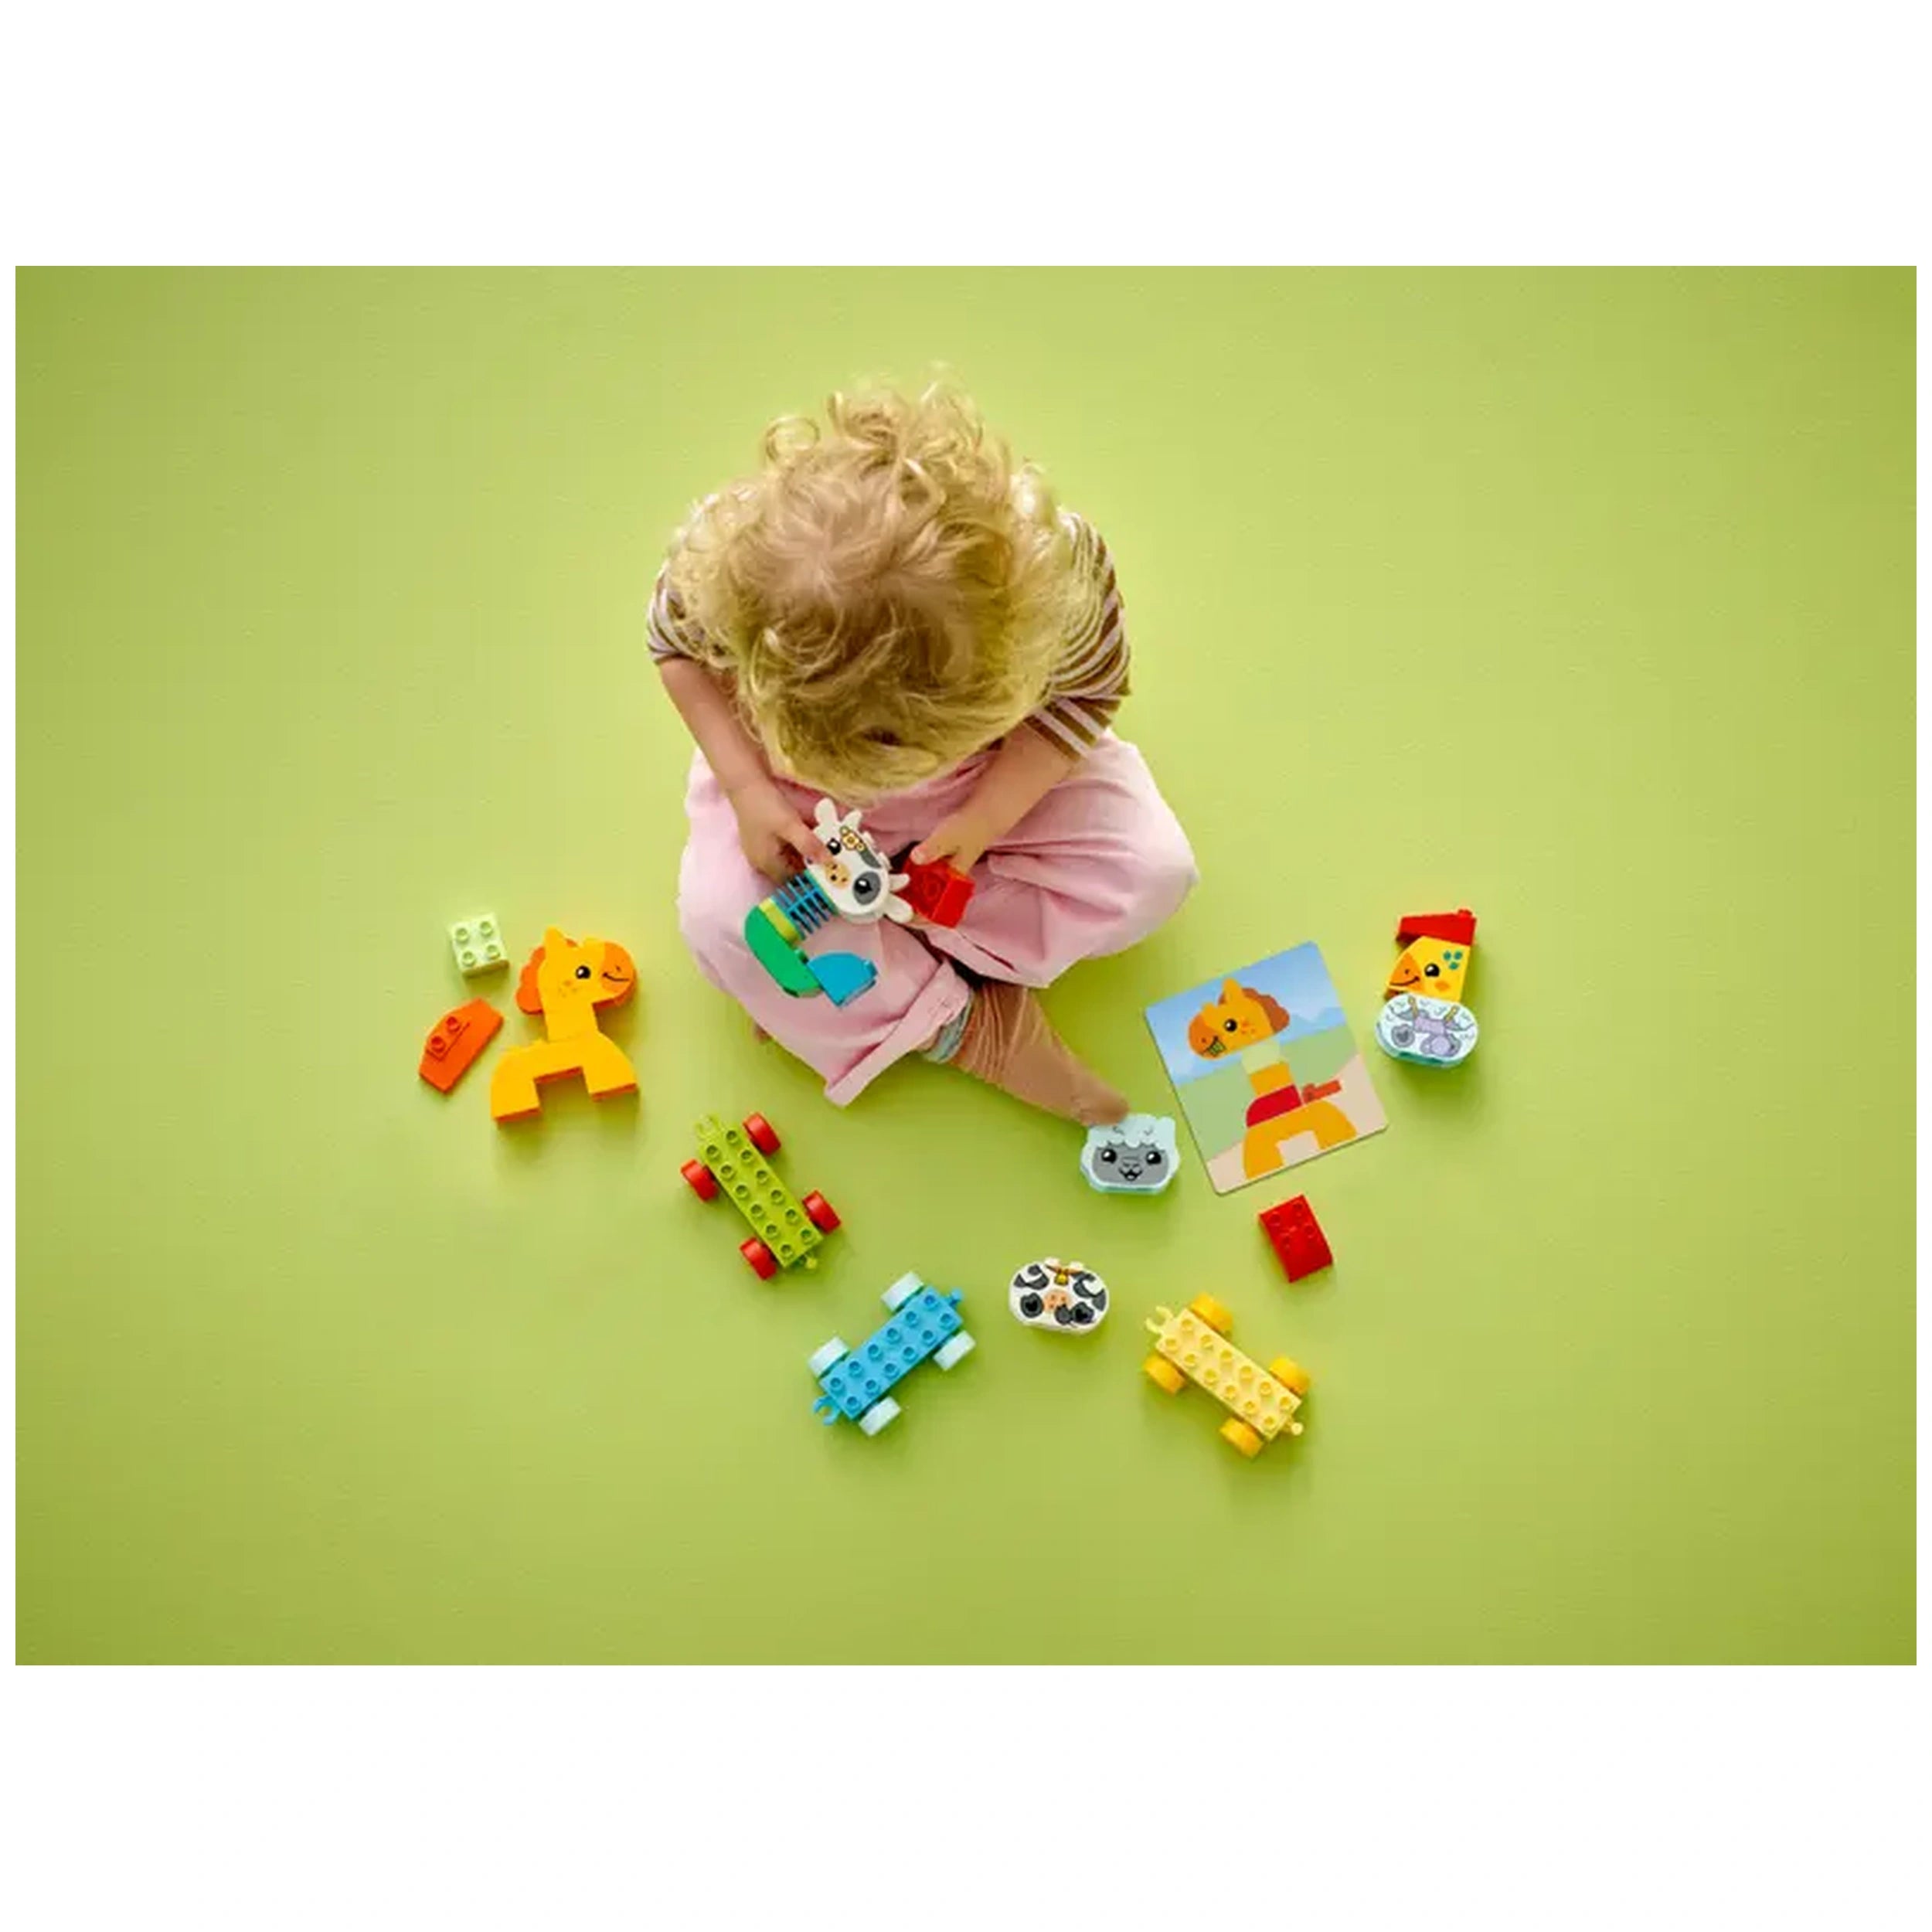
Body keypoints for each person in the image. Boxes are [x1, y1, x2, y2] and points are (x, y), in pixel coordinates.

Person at [651, 381, 1196, 1125]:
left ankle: (882, 977)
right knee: (723, 927)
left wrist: (983, 821)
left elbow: (1080, 705)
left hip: (998, 776)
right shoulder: (729, 571)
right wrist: (748, 789)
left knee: (1151, 874)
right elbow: (673, 652)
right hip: (790, 797)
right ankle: (968, 1031)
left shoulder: (1055, 587)